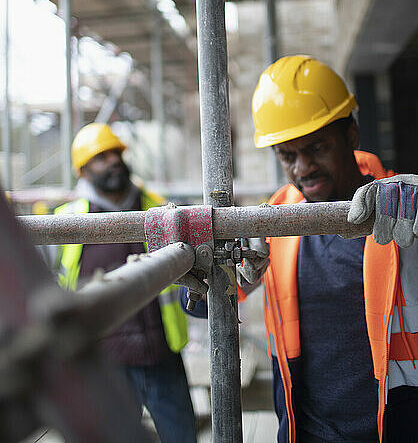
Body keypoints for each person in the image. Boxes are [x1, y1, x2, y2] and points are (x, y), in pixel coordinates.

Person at [182, 55, 417, 443]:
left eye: (317, 147)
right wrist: (197, 271)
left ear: (352, 135)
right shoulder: (276, 219)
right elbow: (210, 300)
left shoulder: (402, 212)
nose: (303, 167)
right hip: (304, 432)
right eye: (288, 155)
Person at [54, 123, 197, 443]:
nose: (113, 161)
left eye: (115, 153)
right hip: (105, 367)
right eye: (101, 157)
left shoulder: (160, 210)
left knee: (182, 438)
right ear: (83, 171)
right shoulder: (67, 222)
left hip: (161, 357)